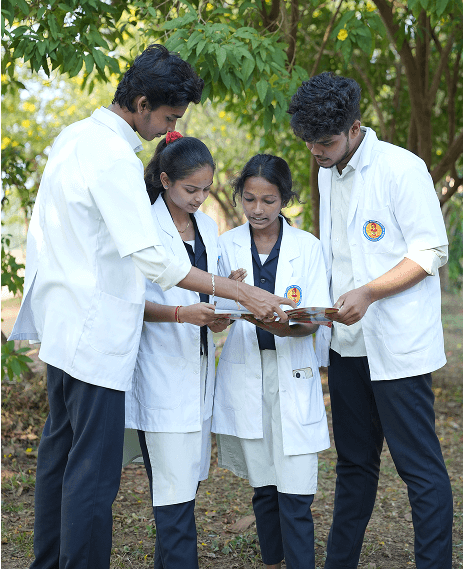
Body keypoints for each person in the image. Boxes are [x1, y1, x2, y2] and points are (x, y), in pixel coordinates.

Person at [10, 44, 293, 569]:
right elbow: (152, 258)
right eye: (169, 117)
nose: (170, 129)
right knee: (93, 473)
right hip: (95, 337)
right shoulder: (113, 156)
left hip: (63, 328)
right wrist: (240, 291)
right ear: (141, 104)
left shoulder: (74, 137)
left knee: (60, 459)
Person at [288, 71, 453, 569]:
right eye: (310, 142)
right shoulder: (326, 171)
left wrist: (370, 292)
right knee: (354, 465)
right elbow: (338, 254)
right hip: (346, 345)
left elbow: (430, 251)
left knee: (418, 469)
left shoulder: (402, 168)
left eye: (326, 142)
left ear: (355, 127)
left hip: (397, 347)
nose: (316, 151)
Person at [212, 154, 332, 569]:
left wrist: (284, 327)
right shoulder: (225, 246)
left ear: (285, 199)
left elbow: (316, 318)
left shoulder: (307, 247)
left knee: (296, 487)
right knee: (263, 483)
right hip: (247, 370)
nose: (258, 210)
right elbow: (215, 317)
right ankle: (271, 561)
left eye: (269, 200)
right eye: (249, 199)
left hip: (292, 369)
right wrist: (229, 297)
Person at [123, 133, 230, 569]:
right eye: (191, 189)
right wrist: (183, 314)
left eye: (206, 189)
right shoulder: (144, 228)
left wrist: (220, 314)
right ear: (165, 180)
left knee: (186, 485)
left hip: (199, 370)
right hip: (160, 372)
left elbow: (211, 289)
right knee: (173, 495)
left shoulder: (208, 228)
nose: (200, 199)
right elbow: (133, 303)